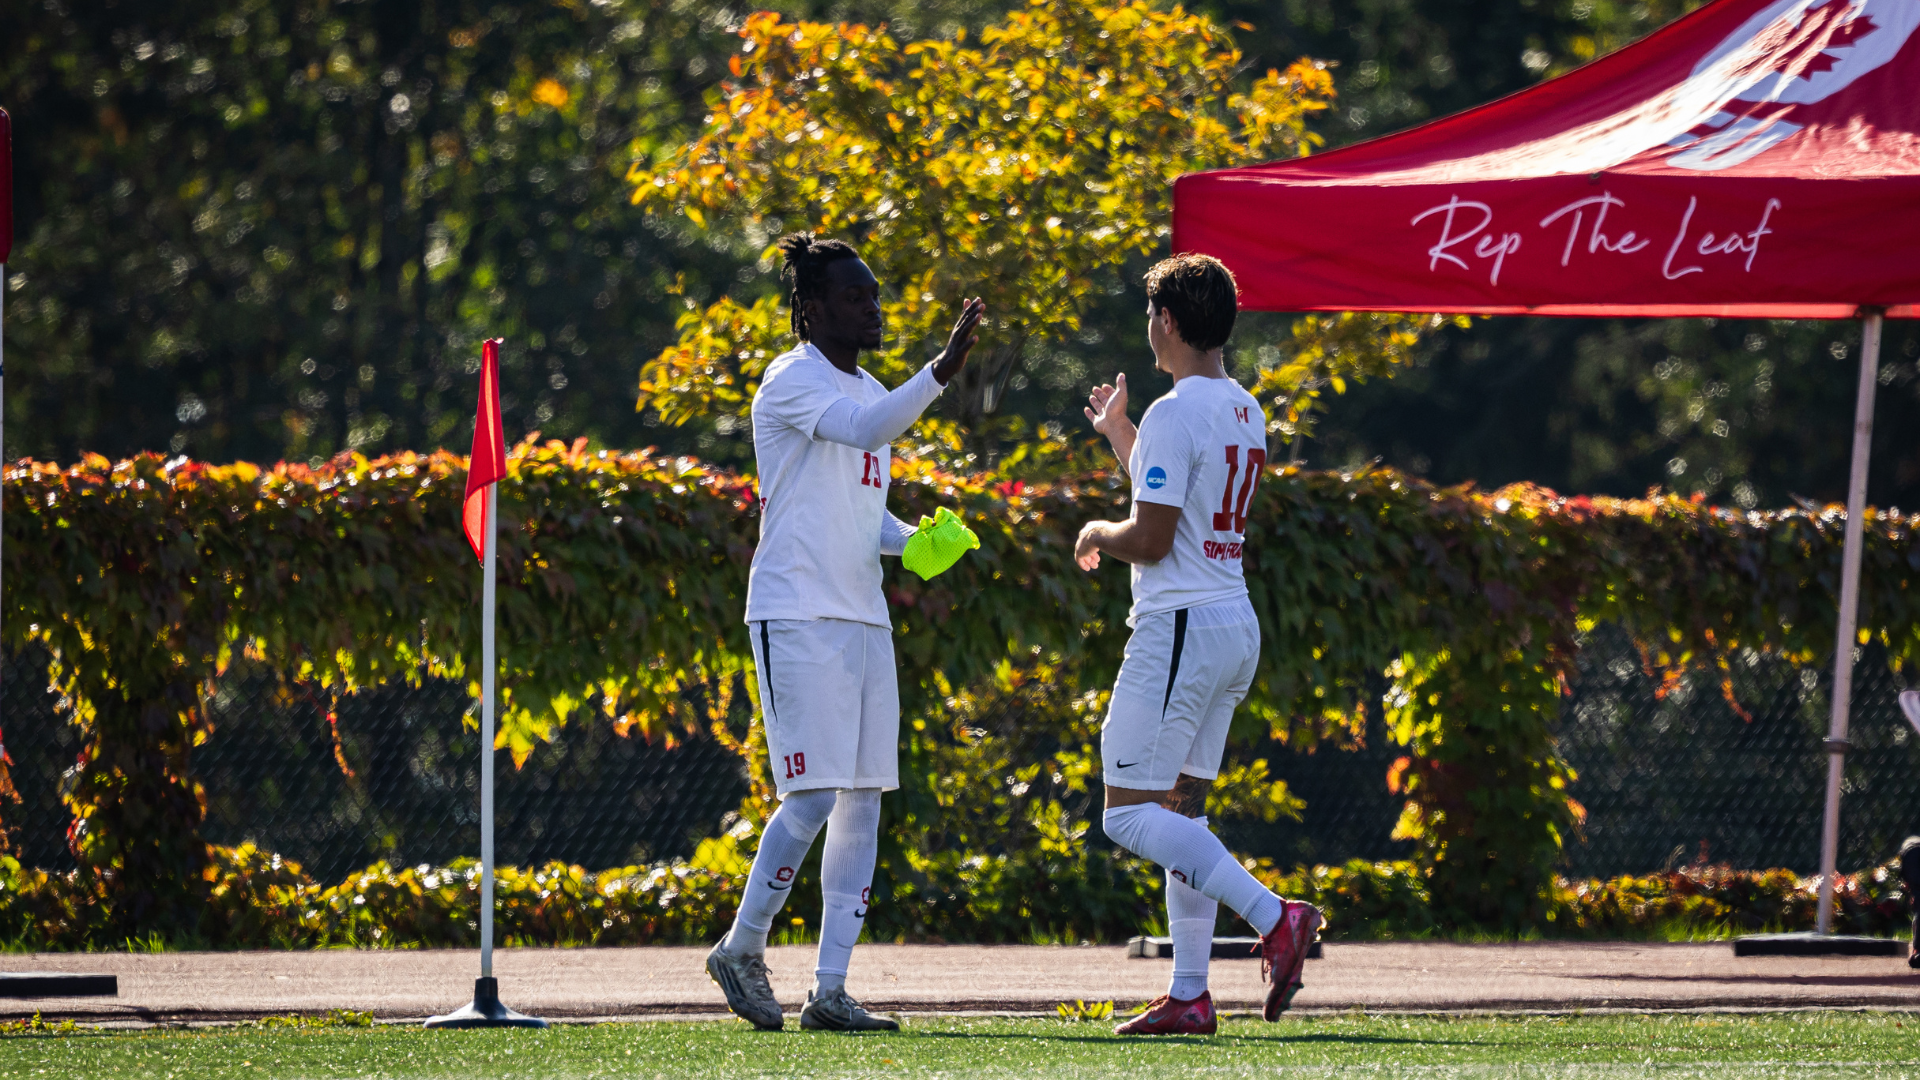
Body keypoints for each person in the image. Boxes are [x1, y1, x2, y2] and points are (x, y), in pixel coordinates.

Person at [704, 233, 984, 1032]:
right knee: (814, 792)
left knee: (863, 801)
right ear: (813, 306)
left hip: (861, 615)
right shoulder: (791, 380)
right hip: (797, 612)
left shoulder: (860, 387)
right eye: (856, 296)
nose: (873, 306)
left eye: (874, 293)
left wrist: (914, 541)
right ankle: (741, 946)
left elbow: (863, 510)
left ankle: (829, 990)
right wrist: (938, 373)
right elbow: (864, 433)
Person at [1076, 253, 1322, 1036]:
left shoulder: (1180, 411)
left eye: (1151, 315)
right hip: (1228, 623)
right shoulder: (1242, 408)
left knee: (1126, 815)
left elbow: (1149, 538)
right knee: (1183, 812)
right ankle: (1189, 993)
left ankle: (1274, 917)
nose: (1147, 328)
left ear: (1169, 321)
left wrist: (1095, 533)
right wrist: (1121, 432)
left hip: (1179, 625)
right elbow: (1173, 488)